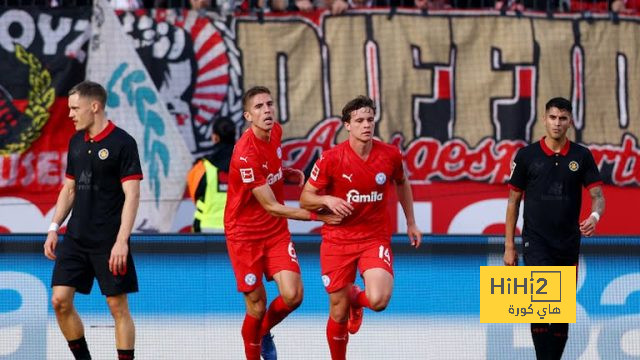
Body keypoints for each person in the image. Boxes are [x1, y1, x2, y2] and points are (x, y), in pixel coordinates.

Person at [299, 95, 422, 360]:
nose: (366, 125)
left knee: (378, 300)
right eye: (359, 120)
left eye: (370, 120)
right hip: (337, 239)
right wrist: (326, 199)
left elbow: (401, 183)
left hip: (373, 238)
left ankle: (358, 298)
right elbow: (305, 198)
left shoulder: (389, 155)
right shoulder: (331, 159)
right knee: (338, 311)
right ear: (347, 125)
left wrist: (411, 222)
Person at [224, 86, 342, 360]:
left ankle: (263, 332)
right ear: (248, 116)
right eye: (258, 107)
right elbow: (272, 206)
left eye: (269, 104)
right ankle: (253, 350)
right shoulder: (245, 155)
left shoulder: (274, 131)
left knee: (294, 295)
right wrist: (317, 215)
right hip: (245, 236)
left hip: (274, 232)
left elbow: (270, 167)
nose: (266, 110)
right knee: (256, 305)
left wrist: (284, 172)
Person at [43, 81, 143, 360]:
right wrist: (54, 228)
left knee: (117, 306)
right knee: (60, 301)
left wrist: (122, 241)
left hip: (109, 241)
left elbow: (132, 195)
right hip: (75, 238)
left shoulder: (123, 143)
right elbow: (69, 189)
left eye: (75, 108)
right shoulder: (76, 142)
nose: (70, 114)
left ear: (94, 107)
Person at [504, 97, 605, 360]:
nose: (557, 123)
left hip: (568, 243)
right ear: (544, 119)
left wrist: (594, 216)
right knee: (540, 306)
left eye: (562, 118)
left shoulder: (582, 156)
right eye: (552, 117)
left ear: (570, 121)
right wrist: (509, 245)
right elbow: (513, 201)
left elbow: (598, 196)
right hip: (536, 242)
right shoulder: (527, 156)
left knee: (560, 312)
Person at [187, 117, 236, 233]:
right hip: (237, 230)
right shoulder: (247, 165)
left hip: (206, 229)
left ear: (215, 137)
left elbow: (194, 196)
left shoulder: (202, 167)